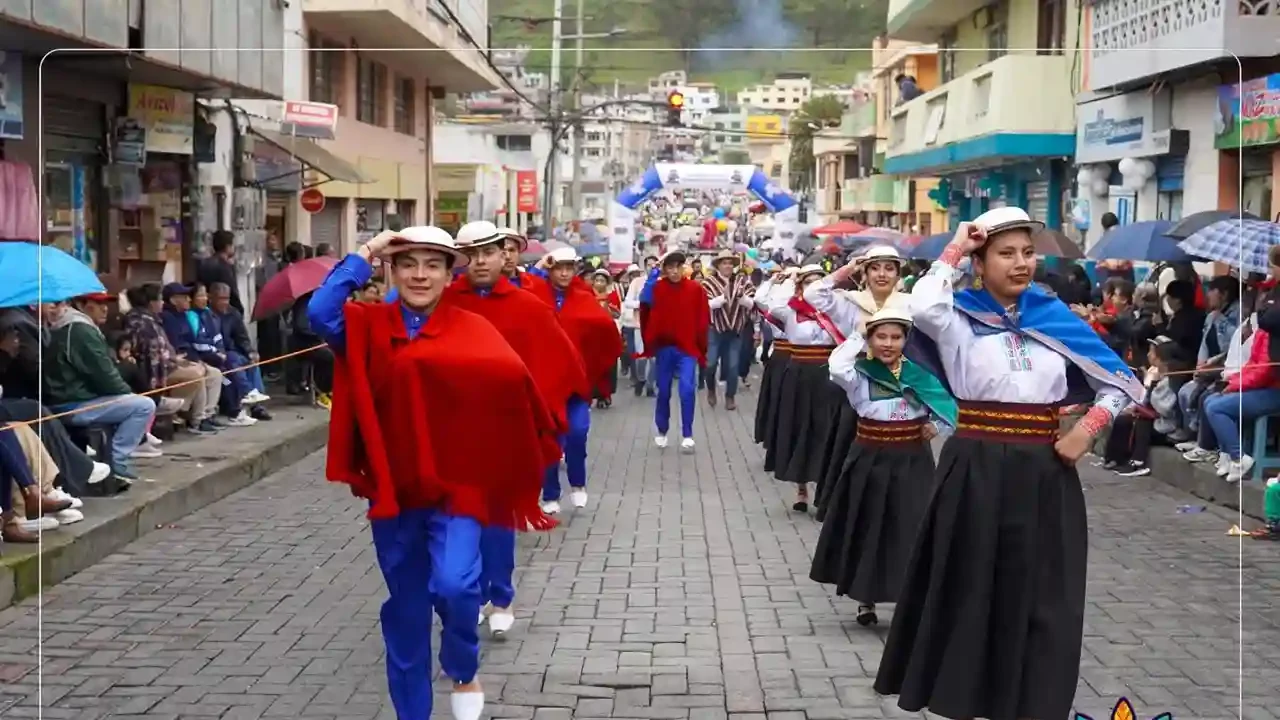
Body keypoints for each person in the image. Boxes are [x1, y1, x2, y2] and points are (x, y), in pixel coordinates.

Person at [873, 207, 1143, 720]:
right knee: (970, 588)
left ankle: (1031, 701)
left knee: (1043, 593)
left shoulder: (1054, 317)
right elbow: (924, 303)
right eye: (1005, 253)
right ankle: (964, 696)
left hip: (1044, 472)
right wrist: (955, 244)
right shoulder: (957, 316)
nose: (1021, 263)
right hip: (974, 470)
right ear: (980, 261)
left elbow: (1123, 382)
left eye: (1027, 252)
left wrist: (1087, 430)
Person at [308, 226, 558, 720]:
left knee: (456, 587)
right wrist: (366, 254)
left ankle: (462, 665)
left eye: (432, 265)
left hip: (459, 489)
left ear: (449, 274)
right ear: (393, 271)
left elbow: (515, 389)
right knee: (407, 609)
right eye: (408, 264)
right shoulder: (366, 326)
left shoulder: (475, 328)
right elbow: (318, 313)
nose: (420, 274)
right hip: (396, 492)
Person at [446, 221, 587, 631]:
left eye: (488, 252)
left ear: (503, 255)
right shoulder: (443, 302)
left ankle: (500, 596)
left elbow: (558, 361)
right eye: (470, 255)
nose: (480, 262)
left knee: (497, 522)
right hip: (452, 432)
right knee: (458, 521)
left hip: (505, 432)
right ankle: (469, 593)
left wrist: (548, 412)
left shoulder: (528, 307)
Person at [810, 308, 955, 626]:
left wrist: (937, 427)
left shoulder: (920, 375)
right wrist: (858, 334)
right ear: (871, 340)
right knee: (870, 524)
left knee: (911, 526)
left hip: (913, 458)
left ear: (906, 340)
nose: (889, 343)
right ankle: (866, 599)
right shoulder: (859, 373)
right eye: (881, 336)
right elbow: (836, 365)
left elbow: (949, 406)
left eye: (896, 337)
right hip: (870, 457)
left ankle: (911, 598)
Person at [804, 246, 912, 516]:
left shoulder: (909, 304)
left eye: (889, 268)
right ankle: (844, 505)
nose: (882, 274)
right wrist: (847, 269)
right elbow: (812, 293)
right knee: (848, 443)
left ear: (898, 274)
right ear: (865, 272)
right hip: (856, 380)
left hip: (900, 382)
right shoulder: (850, 302)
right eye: (875, 268)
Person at [527, 248, 622, 510]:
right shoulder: (536, 294)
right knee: (549, 439)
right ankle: (550, 494)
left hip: (576, 383)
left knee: (578, 433)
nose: (565, 273)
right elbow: (519, 289)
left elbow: (603, 329)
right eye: (559, 267)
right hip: (545, 382)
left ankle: (578, 483)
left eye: (570, 267)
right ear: (550, 270)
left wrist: (596, 363)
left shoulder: (583, 297)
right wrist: (537, 266)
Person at [40, 298, 158, 478]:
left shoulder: (69, 326)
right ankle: (117, 461)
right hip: (72, 403)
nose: (104, 309)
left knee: (134, 398)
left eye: (106, 304)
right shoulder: (80, 329)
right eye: (96, 304)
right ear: (81, 305)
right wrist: (128, 393)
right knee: (143, 405)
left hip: (68, 398)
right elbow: (107, 378)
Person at [765, 264, 843, 512]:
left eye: (818, 281)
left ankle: (824, 489)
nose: (813, 286)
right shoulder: (791, 312)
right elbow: (771, 304)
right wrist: (790, 279)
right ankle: (801, 488)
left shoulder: (835, 312)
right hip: (798, 375)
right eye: (808, 282)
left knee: (825, 432)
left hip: (827, 377)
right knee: (799, 428)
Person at [122, 283, 223, 436]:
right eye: (160, 300)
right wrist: (177, 361)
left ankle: (203, 416)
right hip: (155, 371)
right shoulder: (145, 323)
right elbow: (154, 358)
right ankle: (187, 416)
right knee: (196, 373)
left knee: (213, 373)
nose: (162, 303)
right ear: (152, 303)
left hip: (172, 361)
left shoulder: (156, 320)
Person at [637, 250, 710, 453]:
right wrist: (653, 275)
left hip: (687, 348)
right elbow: (644, 302)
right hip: (665, 347)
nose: (674, 271)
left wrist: (702, 347)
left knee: (687, 389)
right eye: (669, 267)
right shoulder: (657, 288)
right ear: (664, 270)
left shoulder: (695, 289)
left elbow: (703, 319)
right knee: (664, 391)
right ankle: (662, 429)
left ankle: (687, 434)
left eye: (678, 266)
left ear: (683, 267)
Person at [700, 249, 754, 411]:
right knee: (710, 364)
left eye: (730, 263)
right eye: (724, 263)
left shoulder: (743, 281)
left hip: (735, 330)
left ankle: (730, 396)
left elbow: (752, 304)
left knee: (732, 366)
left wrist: (741, 298)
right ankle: (711, 389)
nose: (728, 266)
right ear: (718, 265)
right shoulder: (707, 283)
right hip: (714, 329)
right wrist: (724, 297)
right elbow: (706, 305)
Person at [209, 282, 272, 418]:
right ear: (211, 298)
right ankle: (247, 392)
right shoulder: (208, 315)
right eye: (221, 298)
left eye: (226, 298)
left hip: (233, 352)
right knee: (233, 359)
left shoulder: (233, 313)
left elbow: (242, 337)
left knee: (251, 361)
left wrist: (250, 351)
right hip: (217, 354)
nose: (224, 302)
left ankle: (257, 405)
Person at [197, 230, 243, 313]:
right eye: (233, 245)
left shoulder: (203, 264)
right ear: (227, 246)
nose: (234, 248)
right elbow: (232, 293)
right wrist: (239, 310)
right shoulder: (225, 267)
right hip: (224, 312)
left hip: (207, 311)